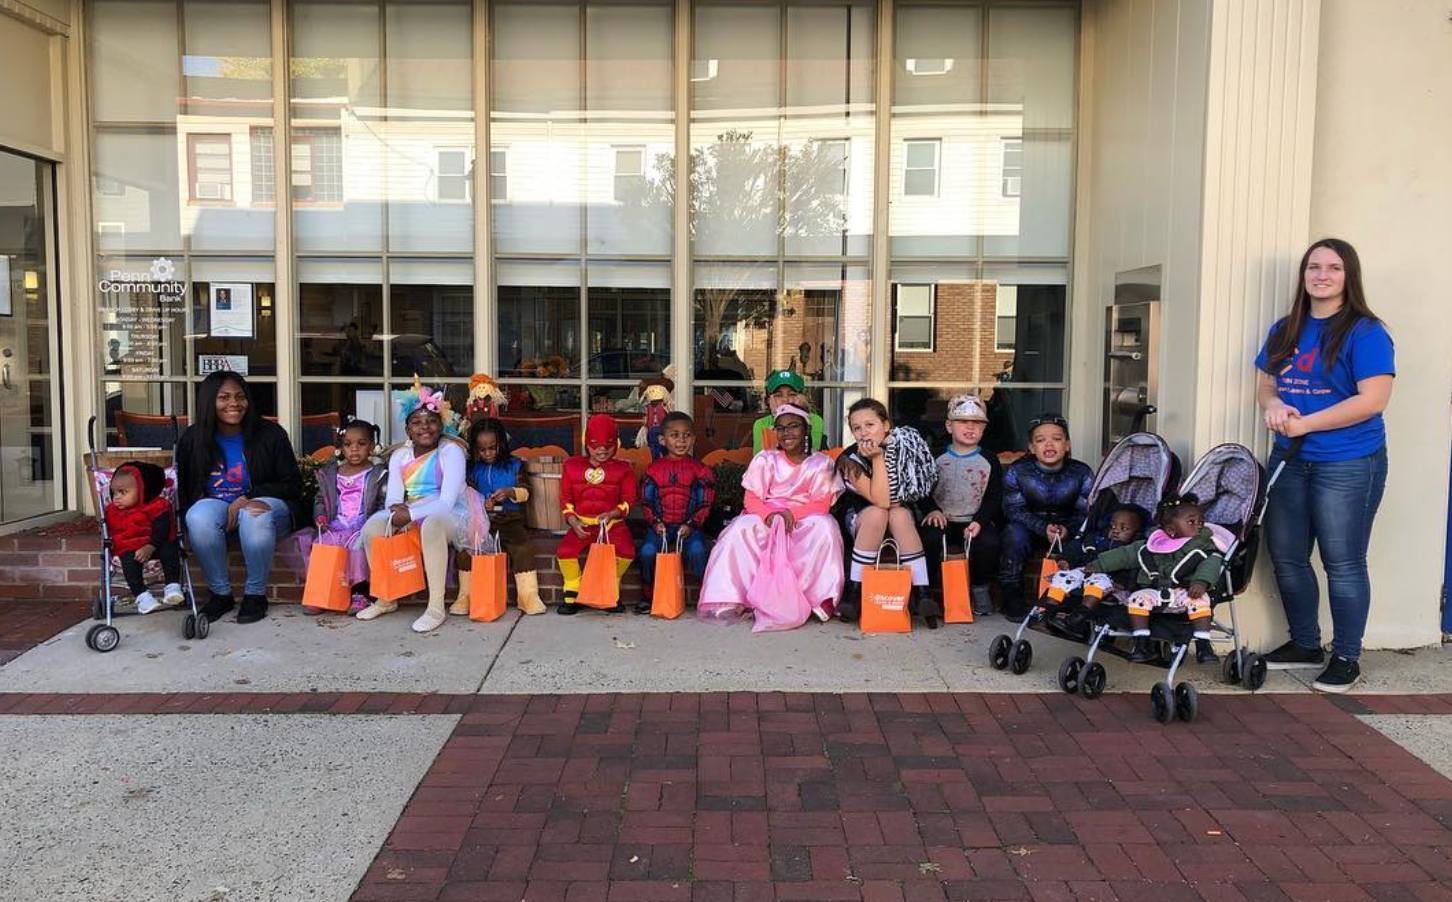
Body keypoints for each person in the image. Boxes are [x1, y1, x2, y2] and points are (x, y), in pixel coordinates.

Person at [1255, 237, 1393, 693]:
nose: (1322, 275)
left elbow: (1372, 401)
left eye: (1333, 268)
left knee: (1343, 561)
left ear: (1348, 276)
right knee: (1288, 556)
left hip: (1348, 462)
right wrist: (1275, 405)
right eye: (1314, 267)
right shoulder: (1285, 329)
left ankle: (1347, 656)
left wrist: (1305, 423)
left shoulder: (1366, 331)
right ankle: (1305, 643)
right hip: (1290, 461)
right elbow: (1267, 386)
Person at [698, 405, 844, 629]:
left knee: (825, 528)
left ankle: (818, 599)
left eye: (794, 426)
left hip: (803, 517)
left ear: (806, 429)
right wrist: (769, 516)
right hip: (766, 514)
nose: (787, 433)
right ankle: (734, 597)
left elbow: (821, 503)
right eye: (781, 428)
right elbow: (751, 498)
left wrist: (789, 515)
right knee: (741, 528)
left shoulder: (821, 463)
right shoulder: (765, 459)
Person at [176, 370, 304, 625]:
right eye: (223, 397)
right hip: (219, 508)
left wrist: (247, 496)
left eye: (239, 396)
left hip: (267, 506)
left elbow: (292, 485)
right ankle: (221, 594)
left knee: (253, 514)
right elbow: (184, 489)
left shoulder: (270, 433)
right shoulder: (193, 438)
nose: (233, 403)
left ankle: (255, 595)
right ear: (209, 402)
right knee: (198, 516)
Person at [355, 382, 475, 633]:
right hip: (414, 508)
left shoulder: (451, 451)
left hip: (452, 513)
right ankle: (386, 597)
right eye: (417, 423)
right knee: (373, 528)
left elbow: (446, 502)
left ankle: (435, 607)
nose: (424, 427)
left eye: (431, 421)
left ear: (441, 425)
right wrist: (396, 514)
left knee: (431, 526)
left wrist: (411, 514)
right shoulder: (401, 455)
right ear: (407, 429)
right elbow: (395, 498)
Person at [1080, 494, 1231, 664]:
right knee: (1136, 599)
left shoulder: (1204, 546)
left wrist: (1201, 581)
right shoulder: (1153, 544)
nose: (1198, 526)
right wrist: (1099, 564)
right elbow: (1125, 554)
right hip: (1154, 591)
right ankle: (1141, 644)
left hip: (1183, 592)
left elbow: (1211, 563)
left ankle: (1204, 646)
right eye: (1191, 522)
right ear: (1171, 530)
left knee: (1201, 600)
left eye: (1201, 522)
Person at [833, 399, 941, 628]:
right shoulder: (849, 459)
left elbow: (921, 485)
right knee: (878, 513)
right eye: (856, 428)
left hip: (900, 522)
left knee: (898, 514)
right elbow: (881, 500)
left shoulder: (905, 447)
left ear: (886, 425)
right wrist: (878, 458)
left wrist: (932, 507)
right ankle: (854, 592)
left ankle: (923, 593)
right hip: (863, 521)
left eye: (870, 424)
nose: (863, 432)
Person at [998, 414, 1094, 622]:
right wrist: (1043, 527)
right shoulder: (1017, 471)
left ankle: (1076, 601)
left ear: (1067, 445)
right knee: (1014, 534)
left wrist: (1067, 528)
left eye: (1057, 439)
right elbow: (1013, 509)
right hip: (1029, 527)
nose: (1049, 444)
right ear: (1031, 448)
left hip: (1068, 528)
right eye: (1040, 440)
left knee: (1090, 536)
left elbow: (1084, 511)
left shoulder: (1082, 472)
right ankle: (1012, 597)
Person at [919, 395, 1004, 618]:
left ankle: (979, 588)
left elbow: (994, 496)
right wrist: (932, 509)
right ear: (949, 425)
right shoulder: (935, 457)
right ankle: (928, 594)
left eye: (977, 423)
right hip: (942, 518)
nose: (970, 427)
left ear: (984, 428)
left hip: (974, 520)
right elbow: (921, 490)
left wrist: (980, 521)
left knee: (989, 543)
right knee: (929, 540)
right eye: (962, 422)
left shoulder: (989, 459)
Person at [454, 417, 545, 617]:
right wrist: (480, 503)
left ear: (502, 444)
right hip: (480, 520)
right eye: (481, 449)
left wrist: (511, 492)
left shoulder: (515, 465)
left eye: (492, 448)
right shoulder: (472, 469)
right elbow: (467, 494)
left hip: (509, 518)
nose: (487, 453)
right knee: (466, 551)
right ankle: (465, 596)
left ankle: (529, 596)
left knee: (523, 547)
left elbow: (526, 491)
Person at [302, 421, 386, 615]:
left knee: (357, 548)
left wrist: (374, 521)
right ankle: (322, 594)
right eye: (348, 444)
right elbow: (321, 498)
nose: (354, 449)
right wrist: (320, 515)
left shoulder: (377, 474)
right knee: (324, 546)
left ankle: (360, 592)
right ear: (341, 448)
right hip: (336, 523)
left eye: (361, 444)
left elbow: (382, 502)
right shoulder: (332, 473)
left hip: (362, 524)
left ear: (372, 447)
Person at [556, 414, 636, 615]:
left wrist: (612, 514)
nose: (602, 449)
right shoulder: (571, 466)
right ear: (586, 442)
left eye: (608, 444)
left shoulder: (624, 469)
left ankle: (610, 590)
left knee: (626, 551)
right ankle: (572, 592)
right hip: (581, 523)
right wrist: (573, 521)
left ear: (616, 442)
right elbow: (565, 499)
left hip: (611, 525)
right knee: (565, 552)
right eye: (596, 444)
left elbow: (628, 501)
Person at [639, 412, 715, 614]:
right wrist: (655, 523)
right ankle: (647, 595)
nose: (681, 441)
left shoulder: (701, 470)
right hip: (660, 527)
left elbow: (705, 503)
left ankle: (705, 596)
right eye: (674, 435)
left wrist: (691, 525)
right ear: (663, 440)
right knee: (647, 552)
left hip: (689, 527)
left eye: (686, 435)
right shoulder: (653, 469)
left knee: (698, 551)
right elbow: (646, 501)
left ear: (693, 439)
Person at [1052, 504, 1148, 634]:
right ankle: (1049, 611)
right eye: (1113, 526)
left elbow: (1133, 572)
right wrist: (1066, 560)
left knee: (1098, 581)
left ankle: (1078, 618)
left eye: (1124, 528)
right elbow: (1076, 550)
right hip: (1083, 574)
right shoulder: (1095, 539)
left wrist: (1126, 585)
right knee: (1062, 576)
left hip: (1110, 580)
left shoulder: (1131, 550)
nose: (1115, 530)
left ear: (1137, 533)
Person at [103, 461, 183, 615]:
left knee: (170, 547)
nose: (117, 498)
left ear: (142, 490)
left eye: (123, 492)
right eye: (114, 493)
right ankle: (142, 596)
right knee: (127, 558)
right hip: (131, 547)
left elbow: (163, 529)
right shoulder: (112, 512)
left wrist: (151, 546)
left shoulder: (157, 506)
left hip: (156, 543)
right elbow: (115, 534)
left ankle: (172, 586)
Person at [751, 369, 825, 454]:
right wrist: (777, 420)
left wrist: (802, 415)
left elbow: (810, 453)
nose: (785, 400)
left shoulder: (814, 420)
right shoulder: (761, 424)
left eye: (792, 394)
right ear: (769, 400)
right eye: (778, 395)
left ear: (803, 398)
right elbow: (760, 459)